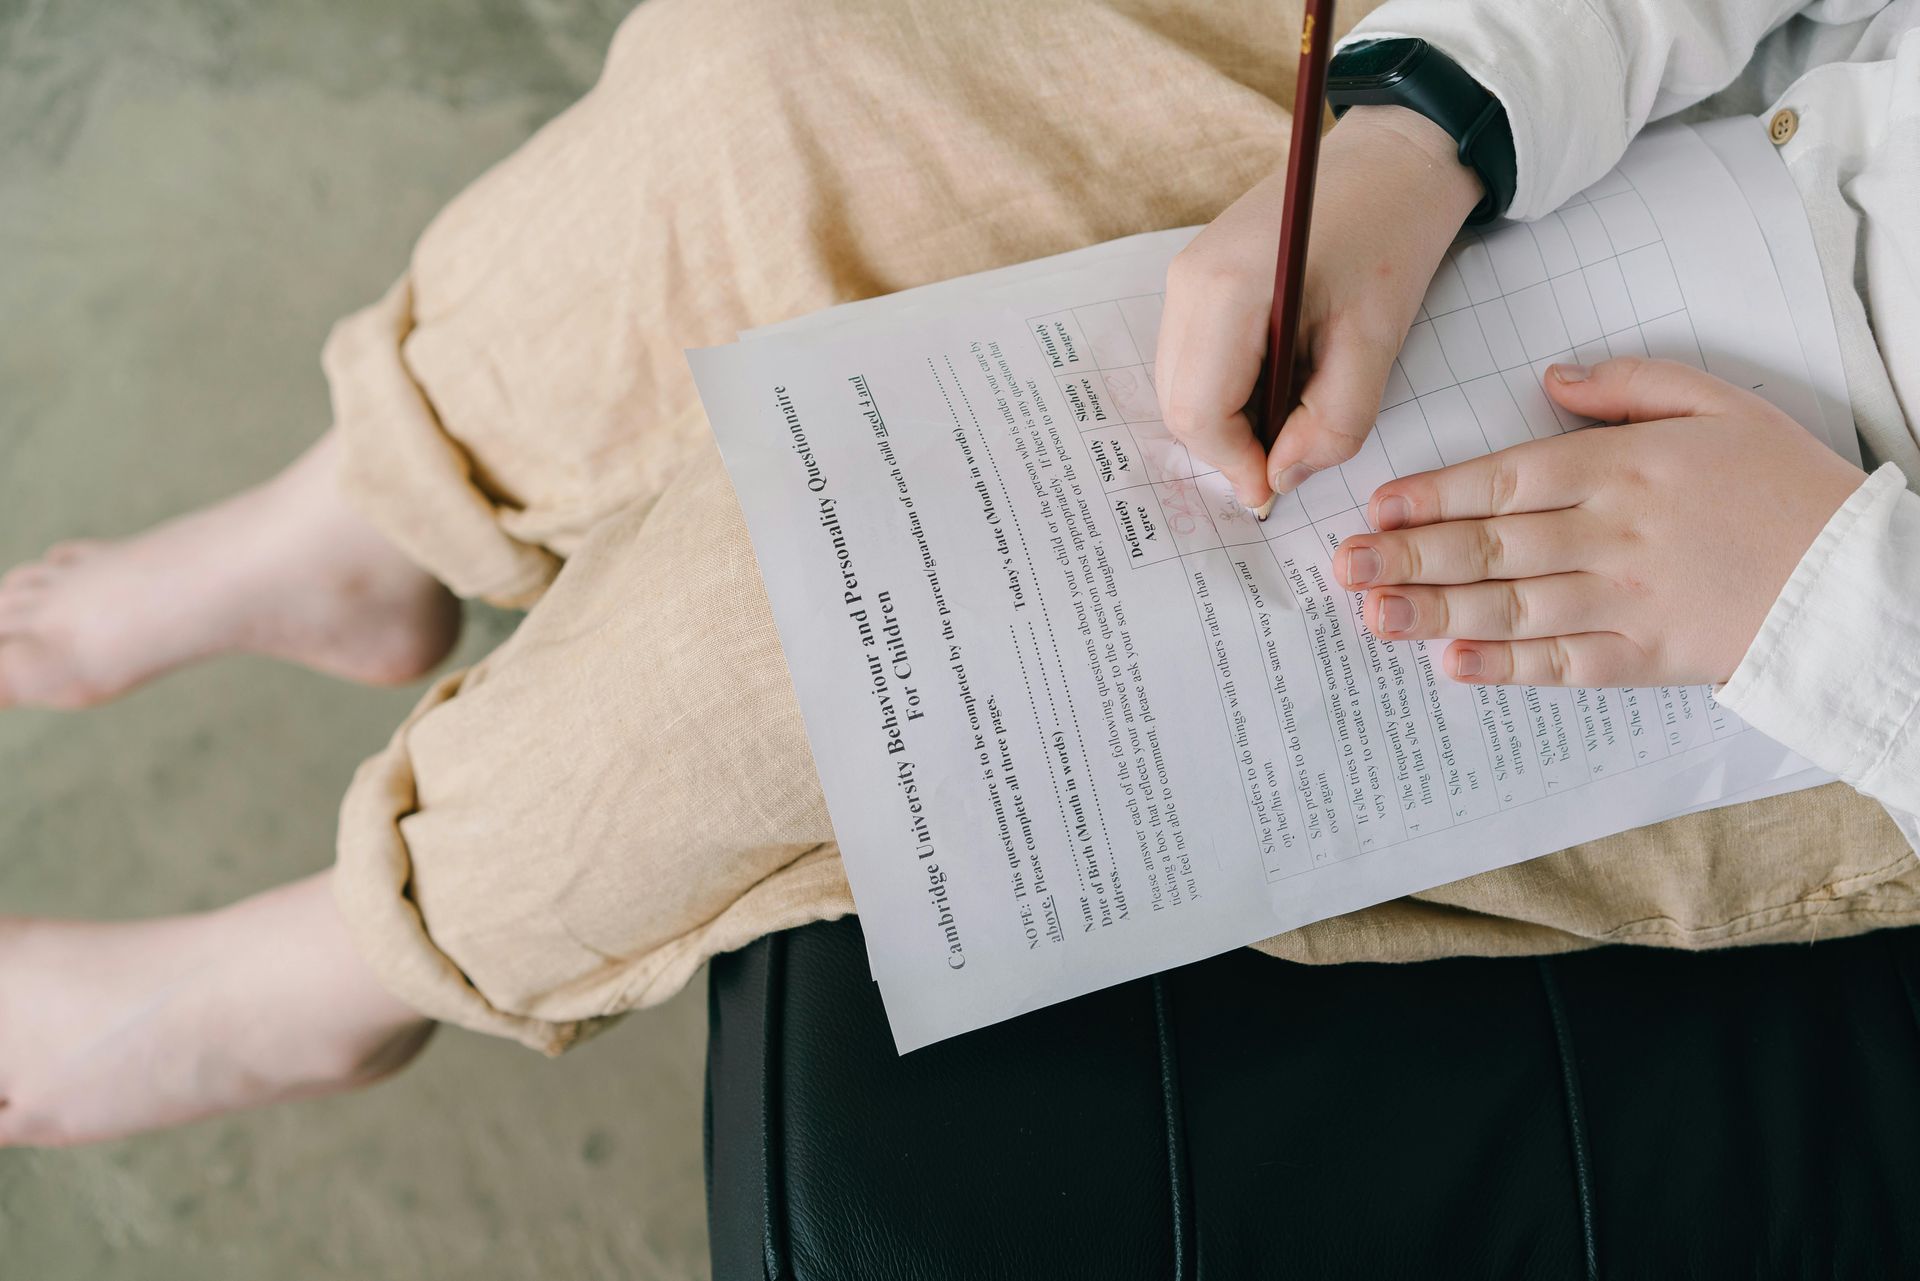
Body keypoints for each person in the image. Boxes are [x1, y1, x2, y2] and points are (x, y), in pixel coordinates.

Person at [1, 0, 1915, 1149]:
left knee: (834, 611)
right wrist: (1432, 126)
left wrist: (1818, 593)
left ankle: (347, 959)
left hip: (1815, 564)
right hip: (1744, 93)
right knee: (784, 80)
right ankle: (374, 511)